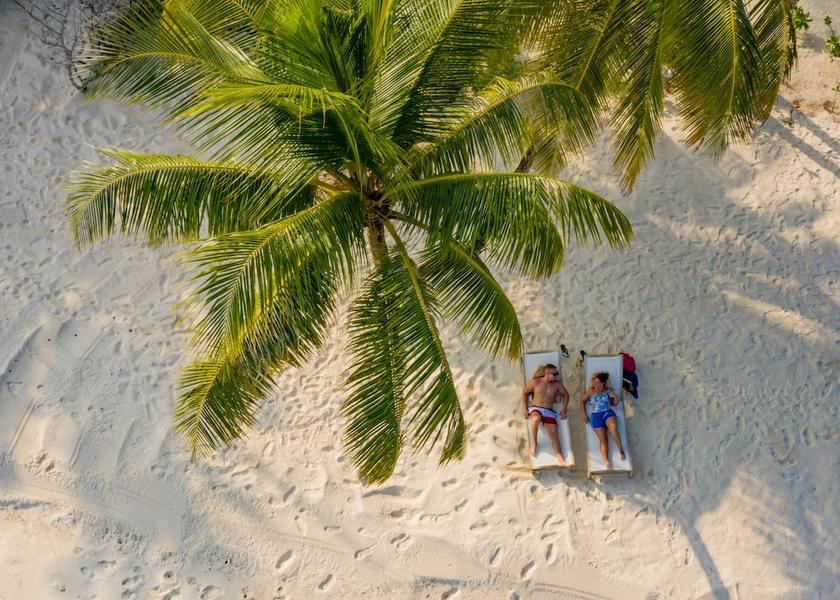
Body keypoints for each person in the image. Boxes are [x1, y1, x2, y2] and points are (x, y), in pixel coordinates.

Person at [521, 363, 569, 466]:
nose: (555, 376)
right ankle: (534, 443)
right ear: (547, 373)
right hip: (536, 408)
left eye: (556, 374)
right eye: (554, 374)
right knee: (535, 419)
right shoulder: (536, 382)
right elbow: (524, 393)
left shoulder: (557, 384)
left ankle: (560, 457)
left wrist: (564, 409)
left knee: (554, 434)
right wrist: (525, 408)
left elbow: (566, 395)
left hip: (548, 411)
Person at [580, 371, 625, 469]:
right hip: (596, 416)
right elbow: (582, 401)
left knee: (613, 429)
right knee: (603, 440)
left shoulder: (609, 391)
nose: (594, 384)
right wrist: (584, 414)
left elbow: (615, 404)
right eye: (594, 382)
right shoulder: (591, 391)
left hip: (608, 412)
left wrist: (615, 397)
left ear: (603, 383)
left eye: (597, 383)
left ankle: (621, 450)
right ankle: (606, 460)